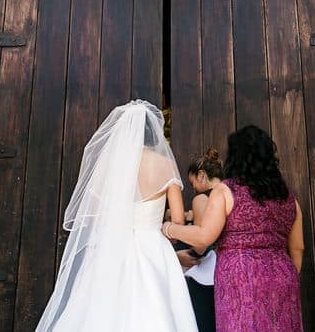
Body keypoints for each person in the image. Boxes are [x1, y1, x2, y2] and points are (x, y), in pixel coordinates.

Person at [36, 100, 198, 332]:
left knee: (101, 308)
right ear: (154, 133)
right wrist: (166, 230)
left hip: (111, 246)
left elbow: (95, 213)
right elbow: (179, 220)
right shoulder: (165, 164)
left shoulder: (111, 166)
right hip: (152, 244)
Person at [163, 125, 304, 332]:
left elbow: (204, 236)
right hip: (283, 277)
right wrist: (285, 277)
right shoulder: (288, 198)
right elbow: (298, 248)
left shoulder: (226, 191)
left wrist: (168, 228)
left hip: (240, 278)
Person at [176, 148, 224, 332]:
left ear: (202, 175)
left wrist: (187, 255)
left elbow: (202, 243)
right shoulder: (230, 195)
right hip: (231, 271)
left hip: (208, 274)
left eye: (193, 182)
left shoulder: (202, 198)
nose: (193, 188)